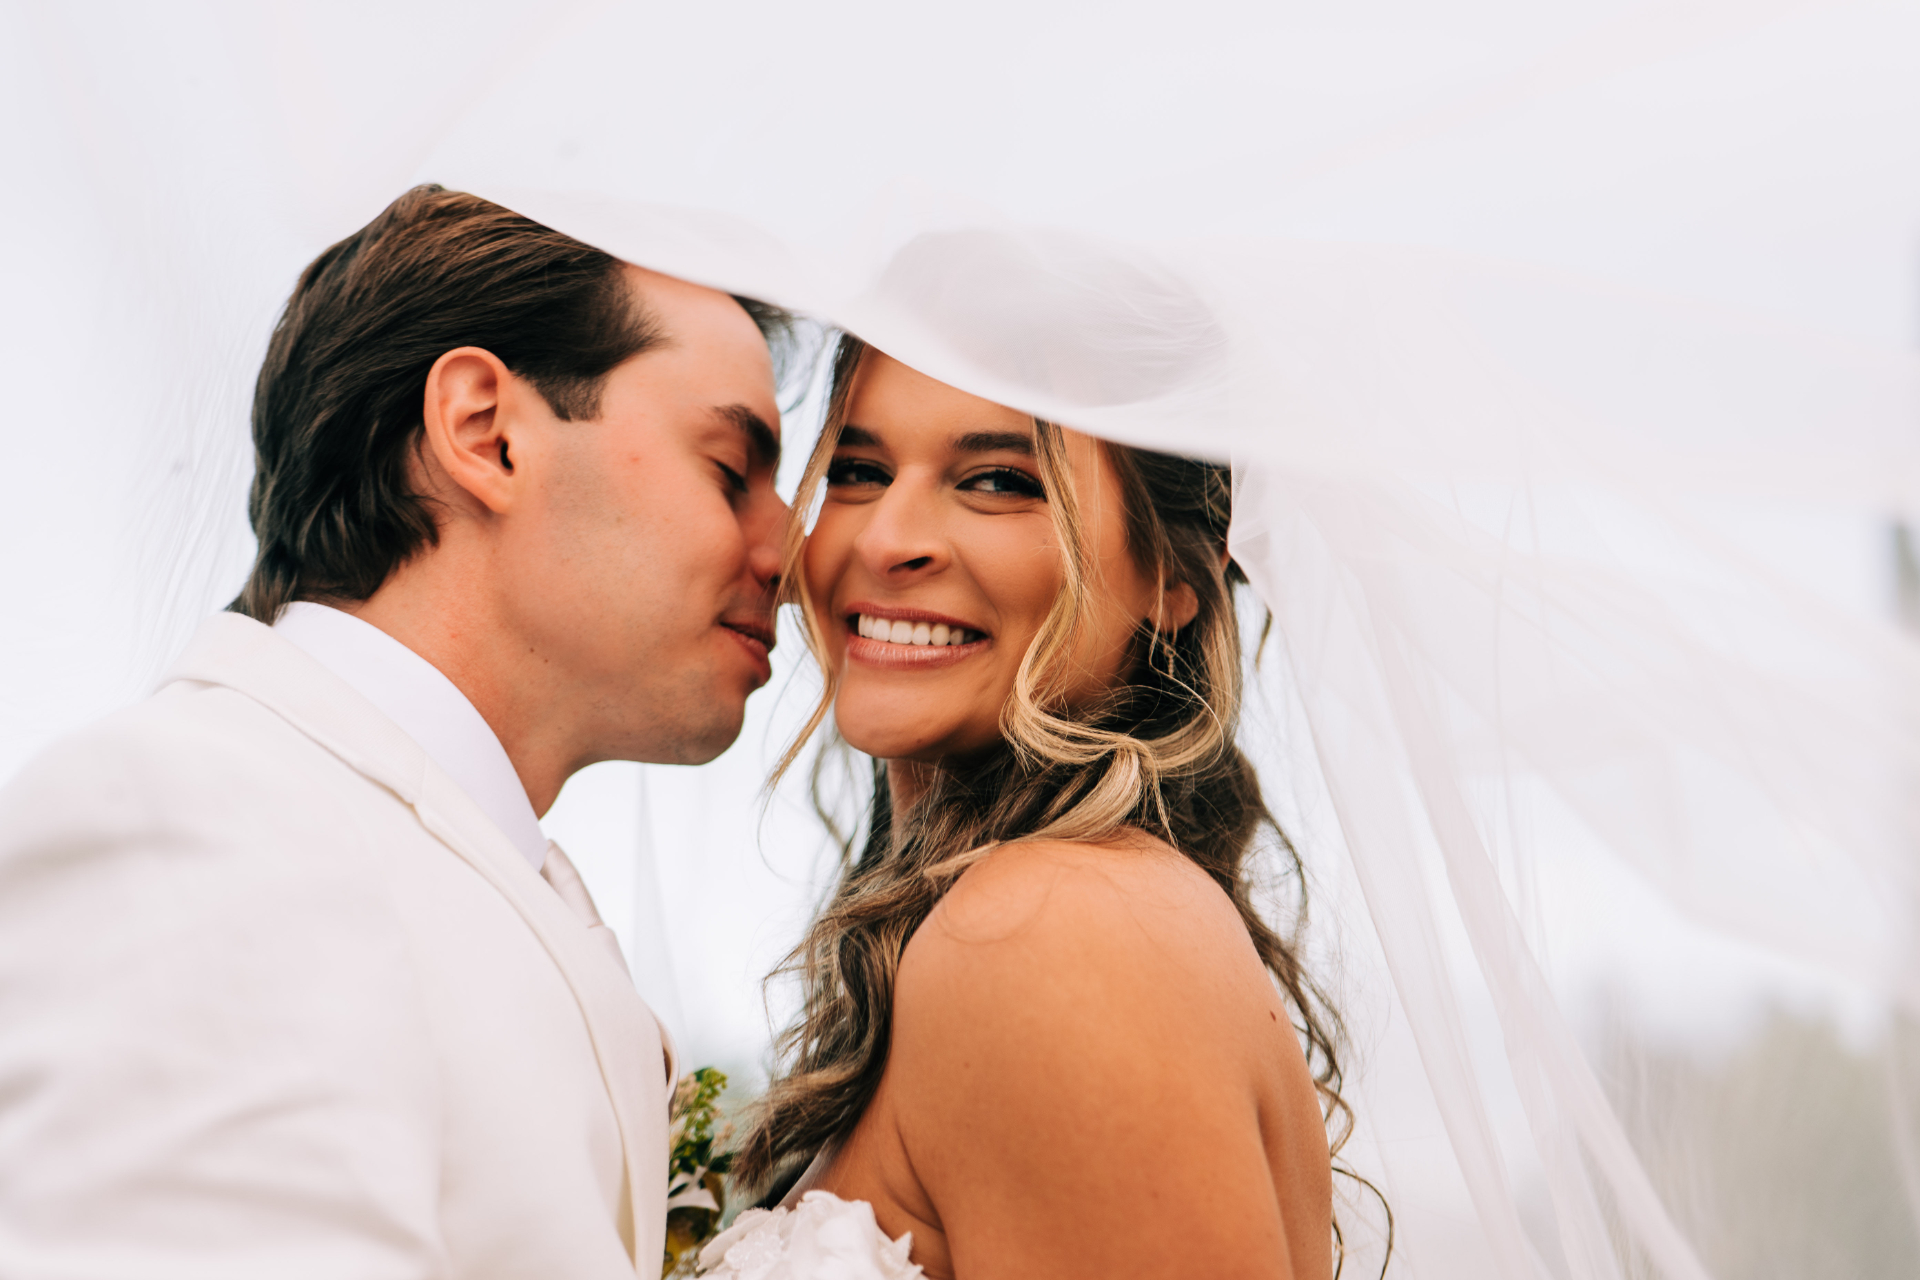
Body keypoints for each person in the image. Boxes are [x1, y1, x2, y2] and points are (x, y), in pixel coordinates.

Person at [0, 185, 789, 1279]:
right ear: (484, 433)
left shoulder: (477, 866)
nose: (791, 555)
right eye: (730, 471)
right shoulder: (197, 814)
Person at [701, 337, 1350, 1280]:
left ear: (1174, 574)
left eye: (1000, 482)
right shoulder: (1028, 915)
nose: (884, 539)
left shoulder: (1059, 930)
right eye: (858, 470)